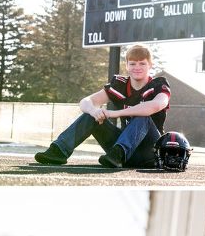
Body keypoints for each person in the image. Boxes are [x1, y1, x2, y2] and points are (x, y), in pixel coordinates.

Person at [34, 44, 170, 168]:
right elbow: (85, 101)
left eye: (142, 63)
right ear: (127, 66)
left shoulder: (158, 84)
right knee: (91, 114)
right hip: (120, 154)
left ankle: (118, 154)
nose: (137, 67)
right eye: (133, 63)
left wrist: (114, 113)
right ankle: (59, 151)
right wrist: (94, 111)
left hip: (149, 152)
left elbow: (156, 105)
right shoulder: (120, 85)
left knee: (143, 117)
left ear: (150, 65)